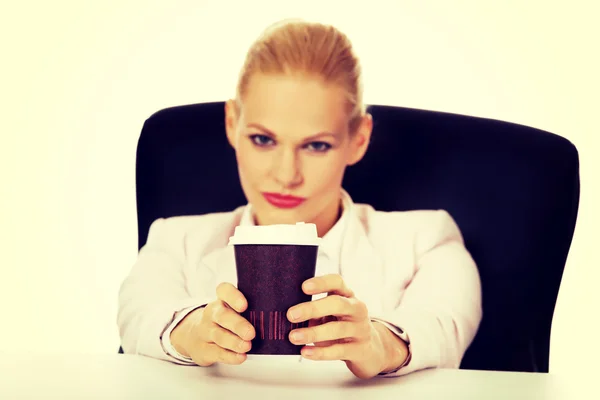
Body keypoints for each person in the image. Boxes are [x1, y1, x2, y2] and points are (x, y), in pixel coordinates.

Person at [117, 19, 482, 380]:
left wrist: (379, 344)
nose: (286, 174)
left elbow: (441, 325)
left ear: (358, 139)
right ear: (232, 124)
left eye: (316, 145)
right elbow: (138, 317)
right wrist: (192, 329)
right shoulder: (175, 240)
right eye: (263, 139)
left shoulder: (426, 240)